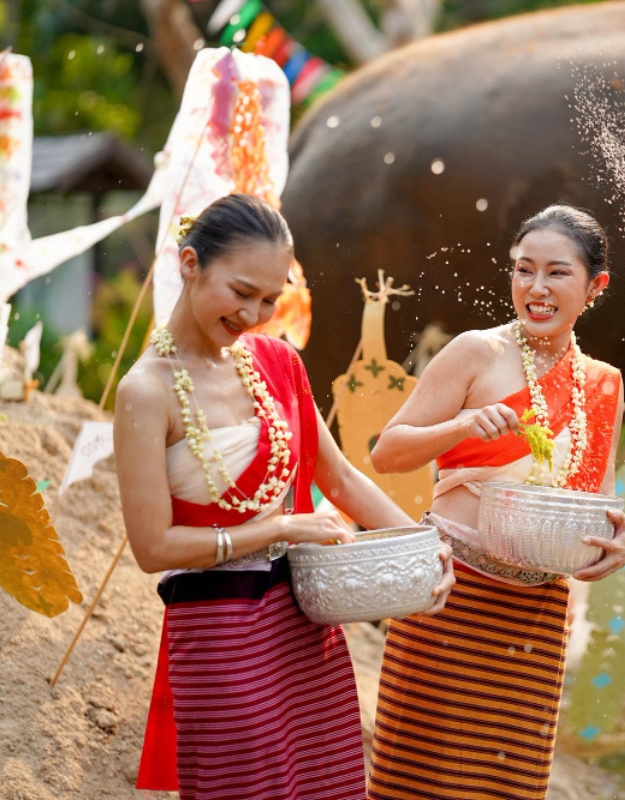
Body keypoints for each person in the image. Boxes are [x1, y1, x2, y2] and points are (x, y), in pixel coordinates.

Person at [114, 193, 454, 800]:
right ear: (190, 264)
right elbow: (152, 546)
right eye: (242, 293)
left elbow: (342, 480)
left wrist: (423, 543)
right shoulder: (146, 391)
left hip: (306, 625)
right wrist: (280, 529)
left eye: (271, 300)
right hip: (219, 633)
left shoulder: (276, 361)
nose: (255, 314)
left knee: (328, 781)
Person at [366, 204, 625, 799]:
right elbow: (387, 452)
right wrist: (462, 426)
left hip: (538, 612)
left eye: (556, 273)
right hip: (448, 593)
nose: (535, 289)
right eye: (523, 270)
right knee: (417, 778)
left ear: (595, 286)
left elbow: (591, 503)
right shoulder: (478, 352)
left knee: (507, 783)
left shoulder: (604, 382)